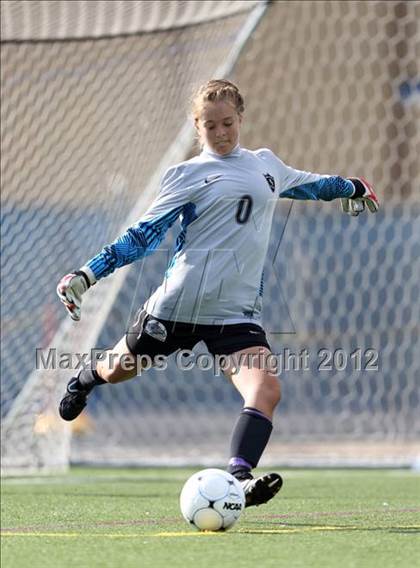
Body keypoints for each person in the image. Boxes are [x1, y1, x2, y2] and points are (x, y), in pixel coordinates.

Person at [57, 79, 379, 507]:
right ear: (197, 126)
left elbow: (311, 184)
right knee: (118, 370)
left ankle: (240, 478)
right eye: (211, 126)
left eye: (228, 123)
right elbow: (143, 236)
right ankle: (85, 378)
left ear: (241, 118)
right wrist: (88, 273)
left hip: (236, 313)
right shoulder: (186, 175)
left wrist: (352, 187)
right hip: (177, 306)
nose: (222, 132)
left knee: (266, 390)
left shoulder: (266, 166)